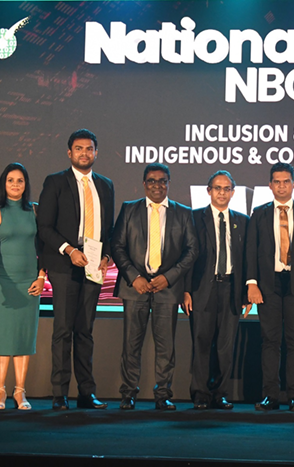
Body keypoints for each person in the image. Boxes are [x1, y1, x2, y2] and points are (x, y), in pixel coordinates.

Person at [37, 129, 114, 411]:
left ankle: (86, 393)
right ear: (69, 152)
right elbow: (45, 227)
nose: (84, 153)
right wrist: (69, 250)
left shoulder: (105, 185)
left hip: (93, 267)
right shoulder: (55, 182)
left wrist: (106, 256)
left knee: (85, 331)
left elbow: (109, 229)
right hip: (64, 265)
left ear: (96, 153)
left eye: (89, 148)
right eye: (79, 148)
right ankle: (59, 394)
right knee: (63, 331)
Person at [111, 163, 198, 410]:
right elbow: (117, 246)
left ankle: (163, 395)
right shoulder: (129, 209)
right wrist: (133, 277)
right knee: (131, 345)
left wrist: (169, 277)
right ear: (144, 184)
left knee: (166, 347)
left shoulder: (183, 213)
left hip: (167, 289)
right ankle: (128, 394)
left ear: (169, 183)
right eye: (151, 180)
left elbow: (192, 250)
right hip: (134, 287)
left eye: (162, 181)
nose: (157, 185)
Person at [246, 162, 294, 412]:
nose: (281, 186)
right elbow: (251, 251)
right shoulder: (259, 213)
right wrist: (252, 284)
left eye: (286, 181)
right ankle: (270, 395)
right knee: (270, 341)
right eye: (276, 182)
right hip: (268, 284)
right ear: (270, 185)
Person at [185, 170, 249, 410]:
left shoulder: (243, 221)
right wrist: (186, 290)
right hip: (202, 289)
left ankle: (220, 393)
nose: (222, 193)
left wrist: (245, 294)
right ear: (209, 190)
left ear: (233, 192)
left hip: (231, 289)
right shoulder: (194, 218)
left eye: (226, 189)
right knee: (201, 343)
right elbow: (186, 257)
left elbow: (247, 260)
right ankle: (201, 394)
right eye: (217, 188)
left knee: (225, 346)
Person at [0, 163, 45, 410]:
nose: (15, 184)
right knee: (3, 337)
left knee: (24, 337)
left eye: (20, 180)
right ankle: (0, 391)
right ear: (3, 183)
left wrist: (41, 276)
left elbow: (43, 247)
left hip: (30, 283)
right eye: (10, 180)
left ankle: (20, 392)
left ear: (26, 184)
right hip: (3, 282)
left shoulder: (35, 210)